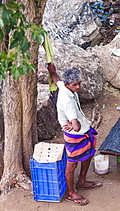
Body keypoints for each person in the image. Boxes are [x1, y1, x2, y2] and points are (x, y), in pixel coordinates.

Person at [47, 63, 102, 206]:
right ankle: (70, 193)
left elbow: (55, 79)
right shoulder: (67, 101)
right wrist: (72, 124)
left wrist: (52, 70)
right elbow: (76, 127)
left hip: (84, 129)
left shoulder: (63, 86)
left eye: (79, 84)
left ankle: (82, 181)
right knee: (71, 165)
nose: (78, 87)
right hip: (75, 135)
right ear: (67, 84)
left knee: (88, 154)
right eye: (74, 85)